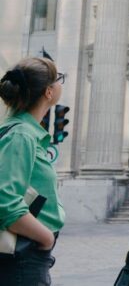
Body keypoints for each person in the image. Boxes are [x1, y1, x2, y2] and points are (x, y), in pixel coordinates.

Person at [0, 57, 66, 286]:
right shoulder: (21, 135)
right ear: (48, 92)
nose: (61, 84)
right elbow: (6, 201)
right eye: (59, 79)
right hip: (23, 255)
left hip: (26, 253)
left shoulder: (20, 130)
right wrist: (45, 238)